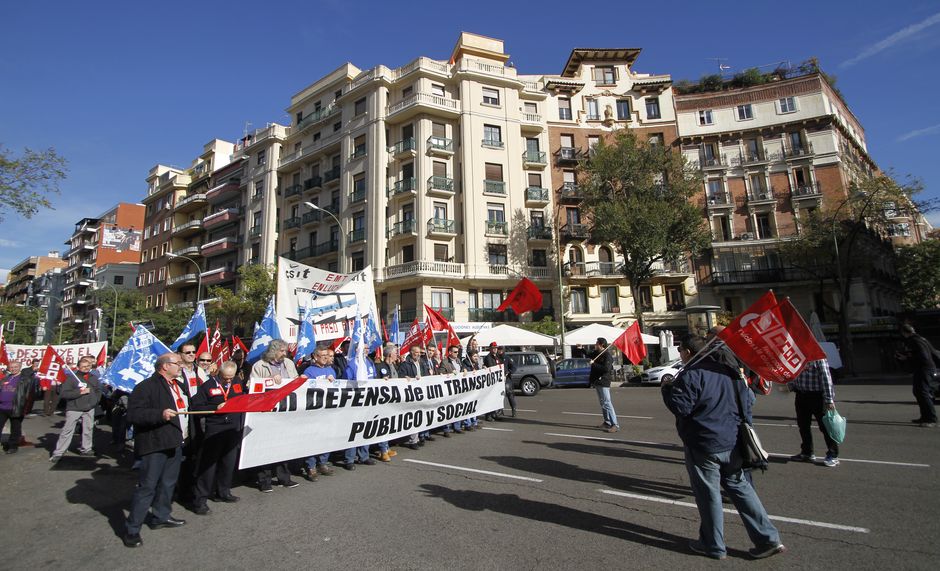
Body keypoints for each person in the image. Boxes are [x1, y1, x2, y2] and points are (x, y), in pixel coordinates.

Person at [661, 334, 785, 560]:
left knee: (708, 494)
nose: (680, 355)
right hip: (733, 439)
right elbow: (748, 402)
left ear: (688, 352)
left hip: (704, 442)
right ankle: (768, 538)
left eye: (681, 351)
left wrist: (667, 388)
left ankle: (713, 544)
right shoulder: (729, 370)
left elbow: (681, 407)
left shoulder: (692, 374)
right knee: (740, 487)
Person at [123, 353, 190, 548]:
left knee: (168, 483)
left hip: (176, 442)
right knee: (147, 487)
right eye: (177, 363)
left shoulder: (178, 385)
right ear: (164, 366)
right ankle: (132, 529)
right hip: (155, 444)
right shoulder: (146, 387)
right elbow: (134, 414)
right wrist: (159, 414)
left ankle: (161, 516)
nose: (181, 366)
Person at [189, 361, 244, 514]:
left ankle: (224, 491)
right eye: (225, 378)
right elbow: (196, 407)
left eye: (231, 378)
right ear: (219, 373)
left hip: (233, 427)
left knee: (228, 462)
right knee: (209, 465)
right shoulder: (207, 386)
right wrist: (214, 408)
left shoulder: (237, 382)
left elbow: (244, 396)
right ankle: (200, 500)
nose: (228, 381)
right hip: (215, 429)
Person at [249, 340, 300, 491]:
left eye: (285, 351)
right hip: (267, 411)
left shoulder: (289, 364)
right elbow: (252, 386)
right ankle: (264, 481)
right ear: (273, 351)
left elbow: (295, 381)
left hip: (285, 409)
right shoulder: (260, 366)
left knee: (283, 445)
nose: (285, 354)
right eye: (282, 351)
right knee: (266, 445)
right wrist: (270, 381)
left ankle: (284, 477)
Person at [788, 359, 840, 467]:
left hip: (817, 396)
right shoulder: (797, 356)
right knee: (803, 425)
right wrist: (792, 385)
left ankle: (833, 454)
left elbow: (826, 378)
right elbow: (793, 372)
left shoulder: (818, 358)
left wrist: (829, 399)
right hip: (801, 395)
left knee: (825, 427)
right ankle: (807, 452)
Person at [50, 356, 102, 462]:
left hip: (89, 408)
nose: (86, 368)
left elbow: (98, 390)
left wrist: (95, 401)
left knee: (88, 430)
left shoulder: (93, 378)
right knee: (67, 430)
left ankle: (86, 448)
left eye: (88, 366)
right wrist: (79, 392)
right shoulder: (71, 378)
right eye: (83, 366)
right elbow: (64, 394)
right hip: (74, 408)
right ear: (78, 367)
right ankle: (59, 452)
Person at [299, 345, 341, 479]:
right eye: (323, 356)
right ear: (315, 357)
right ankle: (311, 466)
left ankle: (323, 462)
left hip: (328, 410)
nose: (325, 358)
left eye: (327, 356)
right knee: (312, 438)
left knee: (326, 437)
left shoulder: (331, 370)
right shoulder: (309, 371)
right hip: (313, 411)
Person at [896, 324, 940, 428]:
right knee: (918, 391)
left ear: (904, 332)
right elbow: (933, 353)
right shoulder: (921, 339)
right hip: (925, 368)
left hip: (924, 368)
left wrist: (906, 358)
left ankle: (931, 419)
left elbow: (923, 356)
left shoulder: (914, 341)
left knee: (923, 392)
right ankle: (924, 417)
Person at [0, 361, 31, 454]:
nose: (13, 369)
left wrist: (25, 408)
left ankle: (12, 446)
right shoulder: (5, 378)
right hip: (2, 407)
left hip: (16, 408)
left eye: (15, 367)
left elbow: (29, 395)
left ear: (20, 367)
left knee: (15, 428)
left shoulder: (25, 379)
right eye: (11, 367)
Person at [589, 338, 619, 433]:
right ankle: (607, 422)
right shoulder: (598, 353)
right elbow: (588, 354)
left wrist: (593, 365)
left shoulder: (607, 355)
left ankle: (615, 424)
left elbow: (606, 369)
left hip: (604, 382)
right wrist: (580, 349)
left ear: (601, 345)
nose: (595, 345)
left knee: (607, 403)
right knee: (603, 403)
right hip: (597, 382)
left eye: (596, 343)